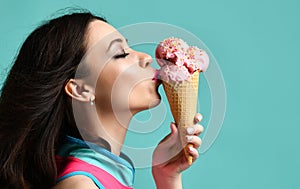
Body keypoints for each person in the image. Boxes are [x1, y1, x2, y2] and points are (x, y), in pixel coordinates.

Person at [0, 11, 204, 189]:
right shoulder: (80, 185)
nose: (145, 57)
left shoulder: (97, 174)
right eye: (120, 53)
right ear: (80, 89)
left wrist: (166, 177)